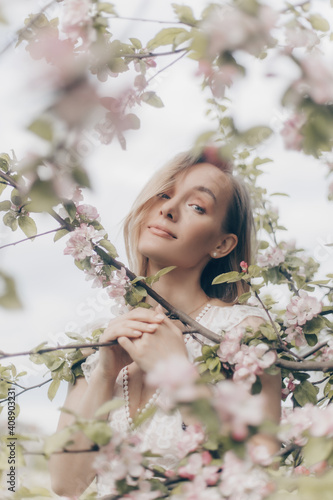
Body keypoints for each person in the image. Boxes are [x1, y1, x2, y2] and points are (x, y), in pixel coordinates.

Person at [49, 150, 281, 498]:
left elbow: (260, 477)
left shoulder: (245, 334)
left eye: (197, 206)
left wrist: (180, 376)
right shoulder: (97, 341)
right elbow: (66, 484)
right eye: (164, 193)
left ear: (222, 244)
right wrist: (104, 373)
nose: (168, 209)